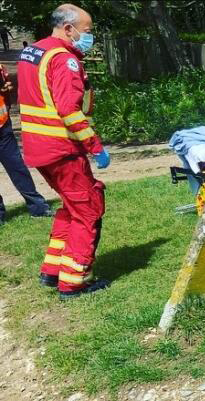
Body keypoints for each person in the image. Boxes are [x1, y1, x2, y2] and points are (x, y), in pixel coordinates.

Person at [18, 3, 111, 299]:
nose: (90, 36)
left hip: (39, 148)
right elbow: (69, 110)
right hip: (62, 149)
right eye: (87, 31)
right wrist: (95, 146)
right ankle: (74, 281)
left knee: (71, 207)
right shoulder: (64, 59)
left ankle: (53, 270)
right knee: (88, 209)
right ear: (68, 29)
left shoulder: (34, 51)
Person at [0, 63, 52, 224]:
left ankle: (38, 207)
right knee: (17, 166)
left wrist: (5, 89)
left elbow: (6, 92)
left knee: (17, 167)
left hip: (3, 126)